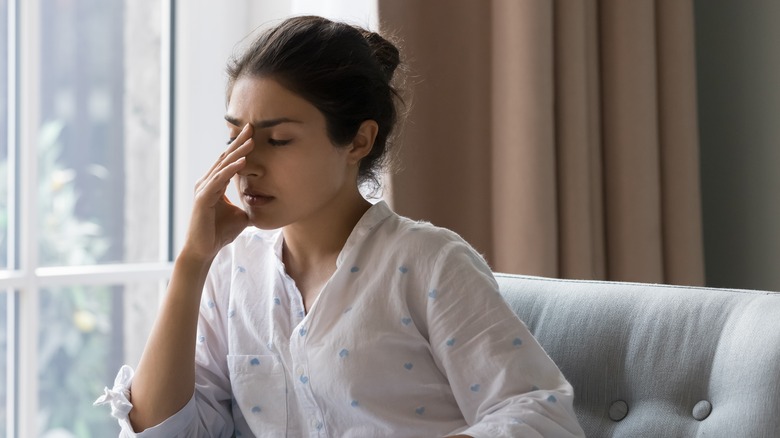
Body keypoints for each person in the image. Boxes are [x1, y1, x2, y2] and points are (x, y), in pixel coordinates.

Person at [95, 15, 585, 438]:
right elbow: (164, 429)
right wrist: (191, 262)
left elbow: (542, 419)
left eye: (278, 139)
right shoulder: (231, 272)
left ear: (358, 141)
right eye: (233, 135)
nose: (244, 162)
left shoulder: (428, 264)